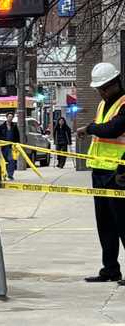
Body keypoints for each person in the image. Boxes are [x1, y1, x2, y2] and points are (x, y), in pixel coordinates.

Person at [77, 63, 125, 283]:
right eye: (100, 89)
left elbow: (112, 129)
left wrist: (89, 128)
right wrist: (92, 127)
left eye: (104, 88)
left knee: (123, 224)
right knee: (105, 224)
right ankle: (110, 269)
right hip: (99, 171)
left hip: (119, 173)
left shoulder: (124, 105)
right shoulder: (102, 105)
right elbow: (103, 129)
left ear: (115, 83)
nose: (101, 92)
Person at [0, 111, 21, 180]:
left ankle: (10, 175)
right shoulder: (1, 127)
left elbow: (17, 137)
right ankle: (3, 174)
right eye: (9, 117)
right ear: (6, 117)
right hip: (3, 147)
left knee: (11, 160)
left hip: (11, 147)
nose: (10, 118)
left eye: (12, 117)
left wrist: (17, 145)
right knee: (3, 161)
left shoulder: (14, 127)